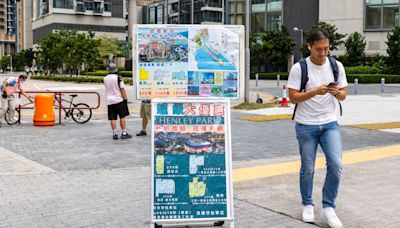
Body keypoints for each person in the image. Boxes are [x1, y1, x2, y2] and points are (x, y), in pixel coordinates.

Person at [287, 28, 347, 228]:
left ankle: (329, 207)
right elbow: (292, 97)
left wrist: (336, 92)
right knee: (308, 168)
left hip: (330, 122)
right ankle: (307, 204)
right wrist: (315, 92)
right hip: (305, 125)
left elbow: (344, 94)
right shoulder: (299, 68)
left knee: (336, 164)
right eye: (318, 50)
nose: (323, 54)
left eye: (326, 49)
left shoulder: (336, 66)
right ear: (309, 47)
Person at [104, 63, 132, 140]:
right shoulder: (118, 78)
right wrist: (125, 97)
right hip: (119, 100)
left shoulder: (105, 78)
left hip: (110, 100)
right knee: (122, 116)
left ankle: (114, 133)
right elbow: (122, 88)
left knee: (112, 118)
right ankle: (124, 133)